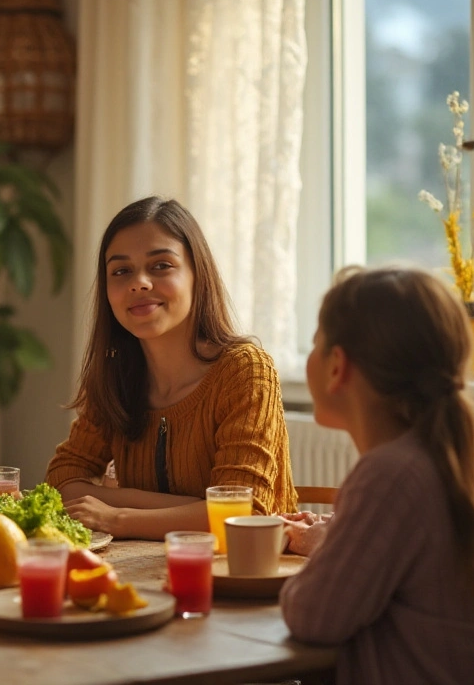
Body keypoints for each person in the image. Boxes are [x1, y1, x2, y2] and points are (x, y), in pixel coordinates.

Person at [279, 267, 474, 684]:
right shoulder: (430, 459)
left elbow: (311, 615)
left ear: (337, 366)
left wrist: (327, 552)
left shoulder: (389, 475)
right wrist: (333, 540)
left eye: (315, 343)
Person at [44, 196, 296, 540]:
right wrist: (194, 507)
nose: (139, 283)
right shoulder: (116, 374)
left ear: (197, 274)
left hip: (245, 579)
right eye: (121, 271)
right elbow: (61, 481)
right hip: (141, 571)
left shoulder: (245, 370)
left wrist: (117, 516)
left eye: (161, 265)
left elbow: (243, 512)